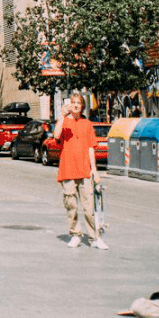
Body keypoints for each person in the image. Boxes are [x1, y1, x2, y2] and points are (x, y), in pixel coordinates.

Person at [54, 93, 106, 249]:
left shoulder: (87, 124)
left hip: (84, 171)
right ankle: (75, 235)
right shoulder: (64, 122)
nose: (76, 105)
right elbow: (56, 135)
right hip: (67, 170)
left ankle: (95, 238)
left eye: (79, 103)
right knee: (71, 207)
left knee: (89, 207)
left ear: (82, 106)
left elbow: (91, 148)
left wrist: (95, 171)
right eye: (73, 102)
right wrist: (61, 116)